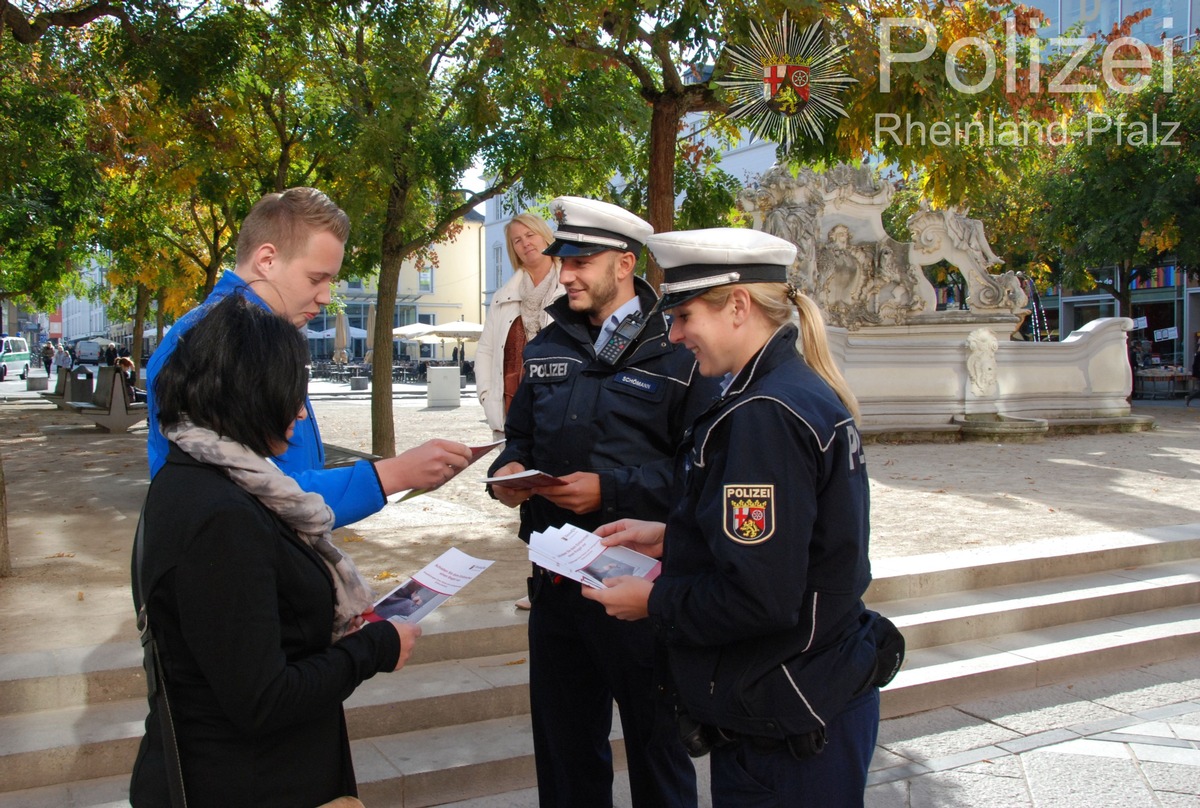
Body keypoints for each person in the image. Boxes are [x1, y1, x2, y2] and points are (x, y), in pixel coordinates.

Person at [584, 228, 898, 808]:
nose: (674, 336)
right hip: (809, 695)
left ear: (737, 305)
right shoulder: (792, 391)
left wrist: (651, 602)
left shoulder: (763, 414)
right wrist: (674, 538)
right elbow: (793, 549)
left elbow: (759, 596)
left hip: (785, 722)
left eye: (682, 317)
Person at [130, 294, 420, 806]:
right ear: (249, 391)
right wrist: (375, 649)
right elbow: (264, 699)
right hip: (247, 780)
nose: (301, 410)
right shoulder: (220, 515)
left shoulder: (205, 477)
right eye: (293, 391)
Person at [488, 196, 716, 808]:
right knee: (564, 759)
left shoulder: (681, 348)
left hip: (643, 591)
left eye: (581, 260)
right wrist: (508, 471)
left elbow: (704, 475)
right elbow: (520, 438)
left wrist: (608, 491)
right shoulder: (546, 342)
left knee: (658, 753)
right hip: (557, 587)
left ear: (625, 262)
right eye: (563, 259)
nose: (566, 274)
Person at [145, 187, 472, 528]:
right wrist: (393, 473)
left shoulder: (246, 335)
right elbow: (246, 495)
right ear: (267, 260)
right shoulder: (217, 343)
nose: (328, 296)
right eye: (317, 278)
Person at [476, 212, 565, 442]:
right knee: (514, 474)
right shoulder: (502, 297)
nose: (525, 242)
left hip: (559, 408)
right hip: (511, 406)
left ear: (545, 237)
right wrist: (486, 396)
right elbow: (486, 351)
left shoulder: (570, 288)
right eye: (517, 240)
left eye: (529, 234)